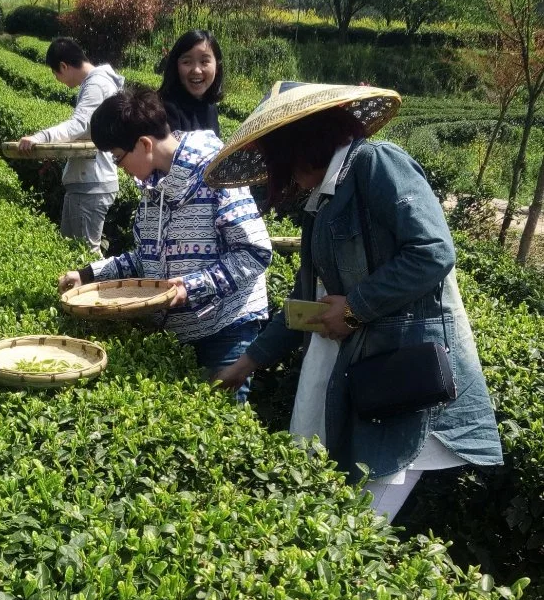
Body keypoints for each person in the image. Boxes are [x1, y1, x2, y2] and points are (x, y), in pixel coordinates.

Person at [212, 80, 503, 519]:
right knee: (345, 512)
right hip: (358, 372)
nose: (286, 178)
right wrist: (247, 363)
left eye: (283, 162)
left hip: (401, 376)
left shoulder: (376, 163)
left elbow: (433, 251)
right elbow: (304, 301)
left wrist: (354, 307)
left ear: (306, 143)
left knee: (364, 520)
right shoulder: (322, 202)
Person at [58, 85, 271, 396]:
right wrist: (88, 274)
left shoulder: (216, 174)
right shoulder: (152, 187)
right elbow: (145, 258)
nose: (120, 167)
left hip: (226, 328)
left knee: (221, 427)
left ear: (144, 144)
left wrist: (191, 286)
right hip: (180, 331)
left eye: (118, 158)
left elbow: (255, 252)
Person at [17, 37, 123, 254]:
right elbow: (89, 131)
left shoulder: (96, 84)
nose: (57, 79)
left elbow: (80, 124)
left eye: (55, 73)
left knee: (85, 256)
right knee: (71, 252)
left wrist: (42, 138)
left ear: (64, 66)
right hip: (87, 182)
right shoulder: (98, 82)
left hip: (91, 183)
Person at [159, 29, 224, 134]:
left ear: (217, 67)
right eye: (187, 62)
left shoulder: (210, 106)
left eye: (204, 61)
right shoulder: (165, 110)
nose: (196, 70)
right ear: (176, 67)